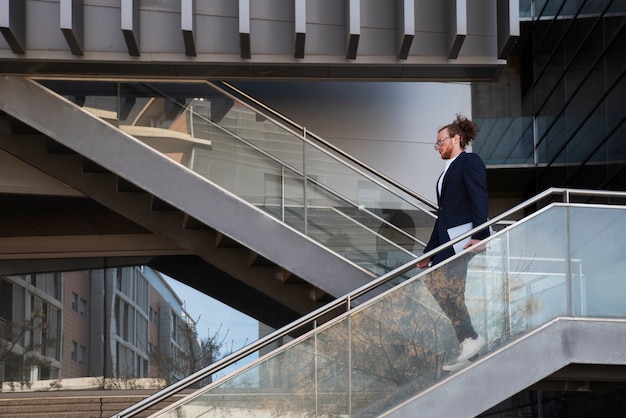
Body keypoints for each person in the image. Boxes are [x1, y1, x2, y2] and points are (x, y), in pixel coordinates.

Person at [417, 114, 490, 369]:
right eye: (436, 143)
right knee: (440, 284)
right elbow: (443, 216)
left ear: (457, 138)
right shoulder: (446, 171)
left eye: (440, 141)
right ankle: (470, 348)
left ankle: (469, 338)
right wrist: (428, 252)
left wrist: (480, 235)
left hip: (463, 237)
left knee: (442, 283)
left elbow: (479, 197)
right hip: (448, 239)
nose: (437, 146)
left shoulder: (469, 161)